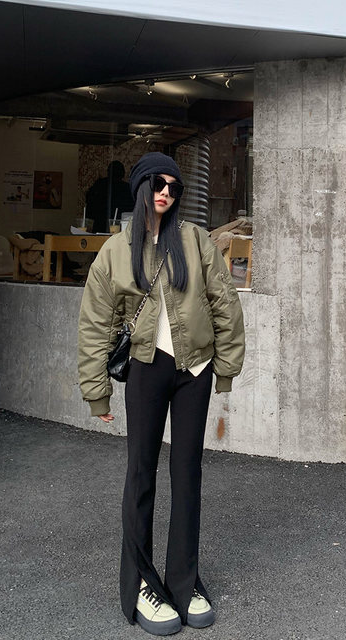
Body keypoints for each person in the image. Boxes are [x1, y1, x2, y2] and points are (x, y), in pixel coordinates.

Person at [77, 152, 245, 636]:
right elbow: (95, 322)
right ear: (140, 187)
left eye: (173, 186)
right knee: (141, 475)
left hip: (195, 369)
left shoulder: (194, 239)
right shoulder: (116, 250)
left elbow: (224, 302)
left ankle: (184, 583)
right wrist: (96, 391)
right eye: (157, 183)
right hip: (147, 369)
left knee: (187, 475)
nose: (166, 192)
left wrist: (226, 367)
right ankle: (140, 586)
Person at [85, 160, 135, 232]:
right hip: (119, 228)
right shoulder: (127, 188)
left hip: (99, 226)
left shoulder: (99, 185)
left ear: (108, 172)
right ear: (123, 174)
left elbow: (89, 203)